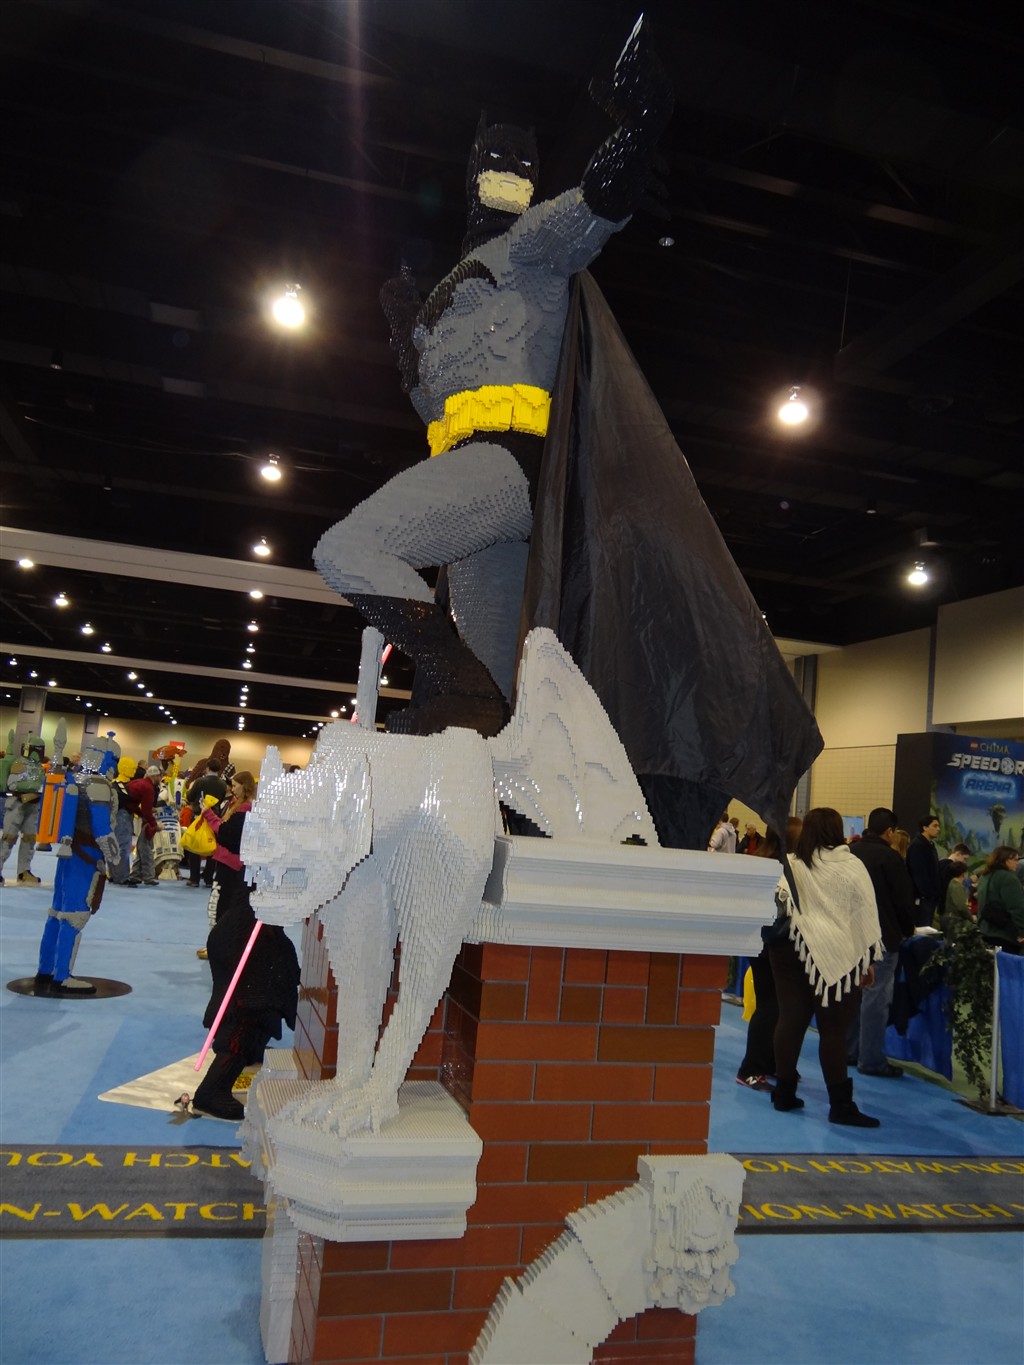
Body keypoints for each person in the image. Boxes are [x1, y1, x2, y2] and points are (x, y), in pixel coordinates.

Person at [313, 20, 673, 737]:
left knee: (349, 548)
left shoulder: (532, 244)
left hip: (506, 463)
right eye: (497, 157)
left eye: (524, 160)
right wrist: (408, 338)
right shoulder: (443, 298)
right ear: (472, 169)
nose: (511, 169)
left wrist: (641, 126)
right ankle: (479, 723)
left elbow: (599, 203)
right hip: (476, 484)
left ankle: (459, 687)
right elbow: (433, 405)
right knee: (494, 703)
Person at [768, 807, 882, 1126]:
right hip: (840, 952)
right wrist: (866, 960)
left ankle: (784, 1093)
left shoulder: (791, 863)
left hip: (789, 948)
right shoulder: (851, 865)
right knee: (833, 1028)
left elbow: (777, 901)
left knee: (790, 1018)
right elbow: (863, 913)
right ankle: (841, 1106)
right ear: (838, 830)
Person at [191, 889, 300, 1120]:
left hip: (250, 924)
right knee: (248, 1013)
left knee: (256, 1005)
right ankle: (212, 1091)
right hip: (248, 932)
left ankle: (249, 1051)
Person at [34, 735, 120, 996]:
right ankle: (62, 975)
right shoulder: (98, 785)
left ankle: (46, 969)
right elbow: (102, 829)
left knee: (57, 912)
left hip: (68, 855)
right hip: (85, 857)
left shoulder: (73, 778)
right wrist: (115, 859)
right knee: (75, 914)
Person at [848, 807, 916, 1078]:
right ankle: (871, 1059)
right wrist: (907, 929)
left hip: (851, 935)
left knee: (853, 994)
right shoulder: (890, 858)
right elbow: (902, 901)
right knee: (876, 998)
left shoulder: (850, 853)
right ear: (889, 832)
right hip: (882, 937)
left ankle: (850, 1050)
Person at [735, 819, 801, 1091]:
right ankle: (751, 1068)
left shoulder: (760, 861)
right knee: (771, 1006)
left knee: (773, 1005)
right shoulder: (784, 869)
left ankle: (770, 1061)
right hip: (772, 944)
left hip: (759, 941)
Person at [201, 770, 256, 922]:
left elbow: (227, 833)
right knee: (220, 903)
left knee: (219, 903)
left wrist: (209, 816)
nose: (232, 789)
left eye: (235, 786)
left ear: (244, 786)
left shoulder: (244, 810)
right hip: (229, 861)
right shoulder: (239, 806)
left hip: (230, 862)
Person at [1, 734, 46, 884]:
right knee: (9, 838)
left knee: (29, 839)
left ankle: (24, 871)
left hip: (33, 805)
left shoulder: (39, 767)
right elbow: (12, 784)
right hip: (17, 804)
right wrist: (33, 787)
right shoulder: (19, 764)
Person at [184, 759, 227, 888]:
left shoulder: (200, 781)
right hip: (214, 817)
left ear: (207, 768)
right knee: (212, 847)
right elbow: (221, 799)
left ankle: (194, 878)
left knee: (195, 847)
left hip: (199, 816)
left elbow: (190, 797)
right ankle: (208, 878)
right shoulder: (223, 784)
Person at [975, 846, 1024, 954]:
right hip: (1005, 934)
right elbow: (1017, 908)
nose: (1017, 863)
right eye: (1015, 860)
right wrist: (1022, 931)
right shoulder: (1008, 878)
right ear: (1005, 860)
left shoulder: (984, 877)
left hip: (985, 931)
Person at [124, 766, 162, 885]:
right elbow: (147, 811)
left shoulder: (138, 782)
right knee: (145, 848)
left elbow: (136, 806)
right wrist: (155, 825)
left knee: (141, 846)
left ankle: (135, 875)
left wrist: (142, 815)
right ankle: (148, 877)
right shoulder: (148, 788)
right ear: (156, 776)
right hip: (126, 814)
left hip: (125, 811)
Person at [906, 815, 942, 925]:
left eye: (938, 826)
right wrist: (927, 894)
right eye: (935, 826)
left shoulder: (930, 845)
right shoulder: (918, 846)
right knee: (923, 927)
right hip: (922, 898)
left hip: (930, 898)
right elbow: (919, 873)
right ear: (925, 827)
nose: (938, 829)